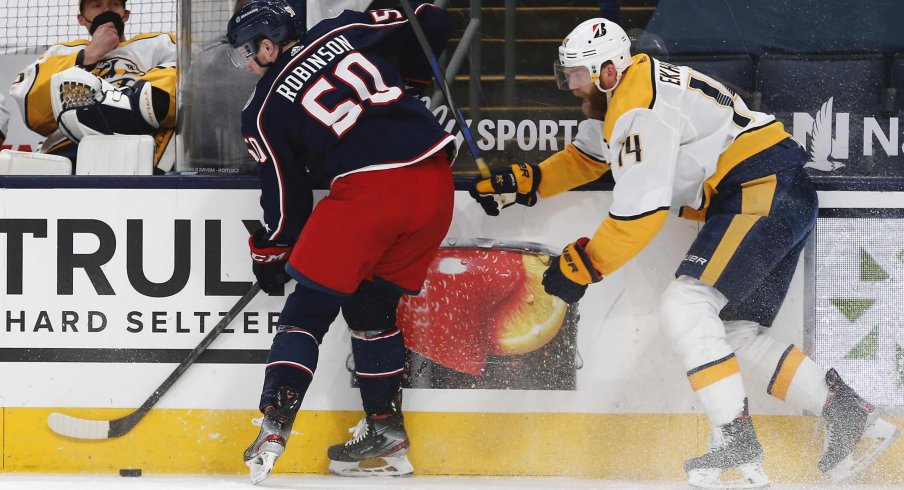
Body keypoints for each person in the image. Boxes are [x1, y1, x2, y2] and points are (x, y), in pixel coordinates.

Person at [470, 18, 900, 489]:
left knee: (685, 304)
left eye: (577, 74)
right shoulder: (632, 88)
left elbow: (639, 216)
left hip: (760, 192)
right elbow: (589, 157)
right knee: (733, 332)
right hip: (777, 192)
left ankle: (736, 442)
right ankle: (848, 416)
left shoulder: (639, 109)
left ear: (608, 71)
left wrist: (585, 266)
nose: (571, 85)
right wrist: (531, 181)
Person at [225, 0, 454, 483]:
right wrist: (409, 81)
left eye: (246, 51)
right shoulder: (343, 26)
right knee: (371, 310)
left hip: (372, 194)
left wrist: (272, 250)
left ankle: (274, 425)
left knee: (306, 314)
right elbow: (429, 17)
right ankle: (386, 433)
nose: (245, 64)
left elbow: (287, 197)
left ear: (268, 45)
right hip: (435, 185)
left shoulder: (262, 109)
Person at [8, 0, 176, 173]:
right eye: (96, 5)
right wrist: (86, 55)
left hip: (139, 146)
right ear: (81, 18)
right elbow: (32, 108)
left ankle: (126, 112)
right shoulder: (60, 52)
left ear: (125, 14)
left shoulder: (159, 43)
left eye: (114, 4)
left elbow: (190, 77)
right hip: (69, 150)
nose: (106, 10)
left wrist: (138, 105)